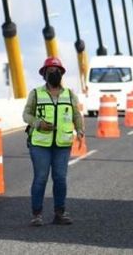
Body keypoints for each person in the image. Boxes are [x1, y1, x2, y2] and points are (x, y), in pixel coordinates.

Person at [22, 57, 83, 226]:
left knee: (60, 178)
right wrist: (38, 123)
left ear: (61, 73)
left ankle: (59, 213)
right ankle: (37, 214)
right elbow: (26, 115)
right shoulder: (36, 93)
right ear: (44, 75)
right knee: (41, 177)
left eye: (56, 71)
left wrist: (80, 130)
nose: (54, 73)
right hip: (40, 143)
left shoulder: (69, 94)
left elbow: (76, 115)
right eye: (50, 71)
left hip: (62, 144)